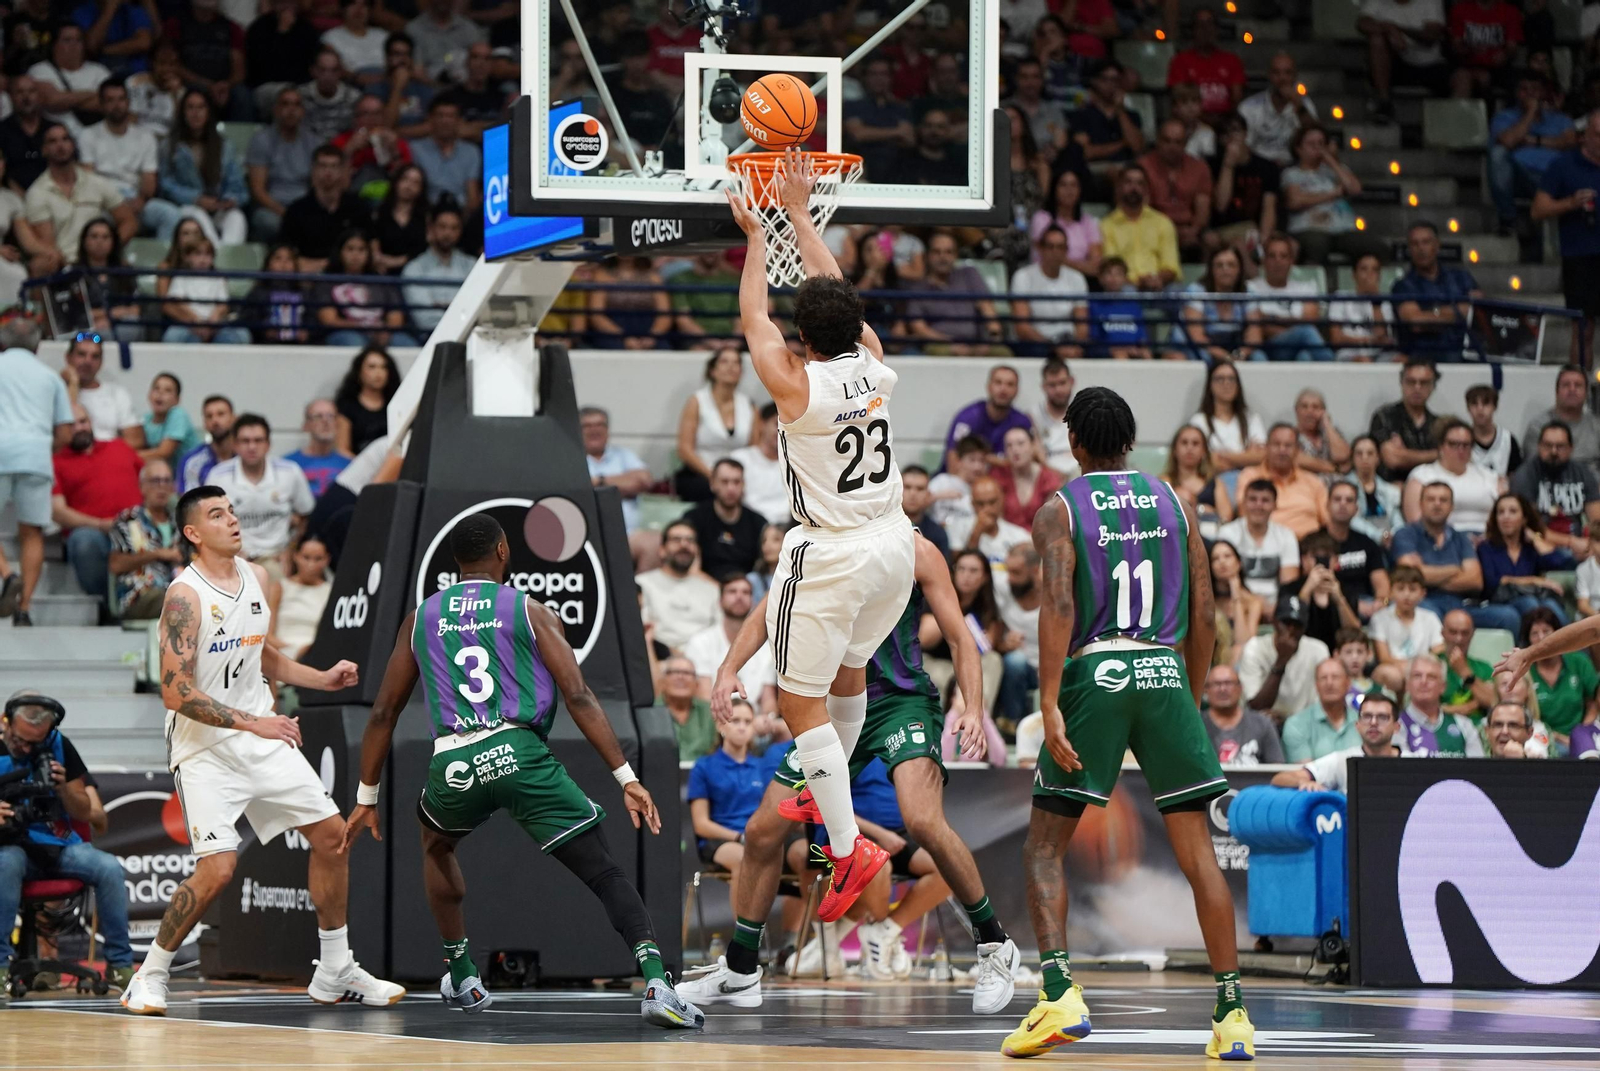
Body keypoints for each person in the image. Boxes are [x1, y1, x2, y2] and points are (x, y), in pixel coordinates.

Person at [337, 512, 700, 1026]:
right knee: (603, 870)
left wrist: (366, 798)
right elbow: (577, 693)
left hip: (455, 762)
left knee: (436, 846)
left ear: (455, 562)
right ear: (503, 552)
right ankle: (658, 984)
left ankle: (461, 972)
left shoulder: (421, 616)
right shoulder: (529, 610)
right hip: (519, 752)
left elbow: (382, 712)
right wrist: (627, 776)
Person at [1002, 386, 1253, 1060]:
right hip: (1166, 670)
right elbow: (1205, 613)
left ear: (1075, 443)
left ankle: (1058, 994)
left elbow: (1056, 601)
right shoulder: (1178, 502)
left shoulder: (1060, 508)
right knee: (1198, 854)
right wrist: (1187, 694)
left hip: (1097, 672)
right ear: (1131, 440)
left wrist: (1049, 698)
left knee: (1044, 846)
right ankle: (1232, 1014)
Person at [683, 530, 1019, 1015]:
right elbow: (772, 605)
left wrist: (970, 704)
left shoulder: (915, 548)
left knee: (922, 819)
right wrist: (729, 666)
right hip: (834, 710)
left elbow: (959, 636)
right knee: (761, 832)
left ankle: (993, 945)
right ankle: (739, 969)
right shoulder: (815, 539)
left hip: (899, 703)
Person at [725, 147, 920, 922]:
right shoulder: (874, 365)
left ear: (804, 337)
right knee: (847, 675)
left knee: (792, 699)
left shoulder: (795, 385)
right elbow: (837, 300)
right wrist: (801, 216)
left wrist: (751, 237)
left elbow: (753, 317)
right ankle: (824, 780)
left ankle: (846, 847)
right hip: (893, 548)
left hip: (832, 551)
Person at [120, 486, 404, 1015]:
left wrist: (321, 677)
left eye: (231, 510)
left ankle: (335, 967)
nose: (232, 520)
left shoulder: (257, 576)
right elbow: (176, 692)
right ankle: (150, 973)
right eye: (216, 514)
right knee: (218, 871)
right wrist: (257, 723)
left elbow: (260, 652)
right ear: (192, 533)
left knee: (332, 837)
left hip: (261, 736)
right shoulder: (185, 596)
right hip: (206, 750)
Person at [0, 692, 136, 993]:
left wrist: (63, 790)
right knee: (5, 863)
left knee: (108, 867)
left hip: (55, 844)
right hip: (11, 847)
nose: (26, 748)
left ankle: (120, 966)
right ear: (5, 722)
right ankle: (1, 968)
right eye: (21, 740)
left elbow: (85, 812)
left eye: (34, 743)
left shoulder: (58, 745)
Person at [0, 319, 73, 626]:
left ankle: (7, 573)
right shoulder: (50, 377)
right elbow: (66, 433)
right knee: (32, 533)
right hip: (37, 455)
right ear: (38, 345)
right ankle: (25, 607)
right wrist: (44, 448)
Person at [1392, 481, 1519, 632]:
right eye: (1431, 499)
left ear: (1452, 507)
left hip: (1461, 604)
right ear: (1421, 504)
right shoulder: (1405, 534)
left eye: (1443, 500)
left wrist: (1427, 575)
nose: (1437, 504)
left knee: (1509, 616)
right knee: (1429, 615)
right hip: (1424, 601)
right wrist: (1455, 569)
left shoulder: (1461, 538)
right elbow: (1410, 577)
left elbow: (1475, 581)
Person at [205, 414, 315, 580]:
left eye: (258, 440)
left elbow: (306, 516)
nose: (252, 447)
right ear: (235, 445)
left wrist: (290, 551)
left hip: (277, 558)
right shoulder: (218, 476)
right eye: (245, 441)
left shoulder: (290, 472)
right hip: (233, 559)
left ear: (268, 444)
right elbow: (207, 522)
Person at [51, 402, 142, 601]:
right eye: (71, 424)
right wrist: (102, 525)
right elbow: (57, 511)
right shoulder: (55, 462)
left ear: (90, 422)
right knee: (83, 542)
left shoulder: (119, 447)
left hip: (135, 528)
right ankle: (106, 605)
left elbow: (149, 481)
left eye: (83, 421)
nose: (79, 428)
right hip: (94, 534)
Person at [17, 124, 134, 276]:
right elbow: (48, 244)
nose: (60, 145)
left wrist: (109, 248)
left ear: (73, 145)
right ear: (44, 150)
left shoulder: (96, 183)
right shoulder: (37, 193)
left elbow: (129, 221)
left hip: (99, 260)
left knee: (126, 268)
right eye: (53, 141)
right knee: (42, 263)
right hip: (64, 264)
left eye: (65, 139)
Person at [1532, 112, 1600, 363]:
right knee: (1584, 329)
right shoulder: (1564, 165)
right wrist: (1571, 203)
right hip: (1581, 256)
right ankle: (1581, 389)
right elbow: (1538, 210)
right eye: (1598, 135)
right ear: (1585, 137)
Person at [687, 698, 770, 891]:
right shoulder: (703, 767)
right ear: (720, 724)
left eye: (748, 722)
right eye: (735, 720)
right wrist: (740, 837)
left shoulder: (762, 766)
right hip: (718, 842)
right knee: (743, 859)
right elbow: (701, 825)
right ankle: (744, 923)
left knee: (801, 854)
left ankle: (814, 921)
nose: (742, 727)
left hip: (757, 840)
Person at [1497, 607, 1599, 753]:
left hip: (1579, 735)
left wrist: (1581, 734)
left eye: (1546, 632)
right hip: (1541, 736)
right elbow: (1593, 630)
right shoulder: (1527, 671)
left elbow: (1593, 702)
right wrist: (1528, 655)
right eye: (1535, 634)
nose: (1541, 638)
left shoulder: (1578, 662)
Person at [1271, 690, 1409, 792]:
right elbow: (1279, 778)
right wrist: (1304, 781)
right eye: (1367, 716)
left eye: (1382, 717)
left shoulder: (1414, 760)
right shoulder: (1342, 760)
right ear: (1357, 726)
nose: (1373, 722)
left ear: (1397, 727)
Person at [1490, 70, 1575, 234]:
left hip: (1555, 178)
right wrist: (1530, 113)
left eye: (1534, 89)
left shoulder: (1561, 119)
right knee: (1497, 154)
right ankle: (1508, 219)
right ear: (1516, 93)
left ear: (1543, 92)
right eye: (1524, 89)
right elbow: (1507, 141)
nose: (1529, 94)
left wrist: (1532, 141)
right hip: (1522, 178)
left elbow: (1570, 143)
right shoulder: (1504, 117)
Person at [683, 575, 777, 716]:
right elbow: (703, 698)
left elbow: (768, 700)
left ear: (753, 602)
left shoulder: (766, 647)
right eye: (732, 591)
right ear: (719, 601)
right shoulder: (700, 642)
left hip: (753, 725)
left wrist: (767, 720)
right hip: (714, 720)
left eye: (746, 592)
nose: (739, 596)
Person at [904, 231, 1009, 355]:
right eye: (937, 252)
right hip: (939, 344)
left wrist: (992, 338)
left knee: (1002, 353)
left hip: (975, 342)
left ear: (956, 255)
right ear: (928, 256)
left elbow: (987, 307)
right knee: (939, 351)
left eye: (948, 252)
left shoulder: (969, 274)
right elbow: (919, 328)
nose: (943, 257)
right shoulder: (918, 288)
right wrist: (952, 345)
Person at [78, 79, 160, 236]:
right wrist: (115, 205)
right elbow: (87, 178)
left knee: (169, 215)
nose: (117, 105)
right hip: (103, 204)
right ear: (101, 105)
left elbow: (149, 179)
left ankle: (166, 261)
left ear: (128, 102)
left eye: (121, 99)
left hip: (136, 200)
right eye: (110, 100)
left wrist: (141, 200)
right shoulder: (88, 135)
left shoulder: (146, 137)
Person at [673, 347, 755, 503]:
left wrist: (735, 479)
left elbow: (754, 448)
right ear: (712, 371)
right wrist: (715, 476)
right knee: (710, 490)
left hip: (738, 475)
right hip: (702, 473)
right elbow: (684, 449)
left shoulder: (749, 405)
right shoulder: (696, 401)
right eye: (724, 361)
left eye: (736, 362)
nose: (731, 366)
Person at [1477, 492, 1572, 624]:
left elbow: (1558, 562)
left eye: (1513, 511)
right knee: (1530, 603)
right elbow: (1493, 581)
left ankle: (1572, 644)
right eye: (1501, 512)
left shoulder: (1530, 548)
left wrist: (1535, 538)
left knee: (1551, 605)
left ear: (1524, 518)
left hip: (1532, 598)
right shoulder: (1486, 547)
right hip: (1499, 601)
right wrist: (1534, 580)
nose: (1506, 517)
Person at [1392, 222, 1483, 359]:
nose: (1421, 248)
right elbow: (1416, 322)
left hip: (1465, 352)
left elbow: (1478, 310)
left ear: (1437, 245)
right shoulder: (1402, 286)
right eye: (1415, 244)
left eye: (1426, 242)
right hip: (1423, 356)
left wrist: (1433, 315)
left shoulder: (1461, 277)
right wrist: (1459, 312)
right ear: (1409, 249)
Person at [315, 229, 417, 348]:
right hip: (344, 333)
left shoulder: (381, 281)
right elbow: (329, 320)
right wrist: (364, 328)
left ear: (368, 253)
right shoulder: (327, 282)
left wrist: (384, 332)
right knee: (355, 342)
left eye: (361, 249)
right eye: (350, 249)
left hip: (382, 333)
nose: (355, 255)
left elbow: (396, 318)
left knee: (406, 343)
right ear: (340, 252)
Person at [1239, 594, 1332, 724]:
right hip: (1264, 723)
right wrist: (1282, 660)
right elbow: (1256, 706)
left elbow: (1323, 703)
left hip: (1306, 724)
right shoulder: (1254, 648)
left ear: (1305, 626)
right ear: (1274, 621)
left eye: (1297, 624)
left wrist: (1290, 722)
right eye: (1286, 623)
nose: (1291, 630)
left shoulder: (1318, 650)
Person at [1402, 418, 1504, 536]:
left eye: (1466, 445)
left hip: (1488, 539)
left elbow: (1505, 512)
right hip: (1443, 540)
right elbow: (1416, 522)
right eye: (1453, 444)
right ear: (1441, 446)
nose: (1460, 450)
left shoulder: (1489, 476)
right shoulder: (1422, 476)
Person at [280, 144, 373, 271]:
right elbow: (288, 256)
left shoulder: (359, 207)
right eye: (323, 166)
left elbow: (371, 248)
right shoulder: (297, 210)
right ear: (313, 169)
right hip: (310, 279)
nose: (328, 172)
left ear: (342, 171)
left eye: (334, 166)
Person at [107, 458, 179, 620]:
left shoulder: (182, 523)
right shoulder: (128, 520)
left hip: (178, 591)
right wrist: (157, 554)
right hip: (138, 596)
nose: (162, 487)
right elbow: (116, 564)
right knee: (173, 600)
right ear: (142, 487)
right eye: (155, 481)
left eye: (167, 481)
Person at [246, 86, 320, 241]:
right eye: (285, 104)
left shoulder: (313, 142)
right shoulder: (261, 140)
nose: (291, 110)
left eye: (296, 105)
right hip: (271, 207)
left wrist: (304, 211)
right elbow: (257, 191)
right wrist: (287, 213)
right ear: (276, 109)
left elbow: (317, 186)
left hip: (304, 205)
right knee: (268, 222)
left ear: (303, 111)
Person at [1359, 0, 1450, 124]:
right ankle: (1384, 102)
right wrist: (1389, 29)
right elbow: (1362, 23)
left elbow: (1432, 34)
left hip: (1429, 65)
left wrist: (1398, 29)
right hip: (1397, 64)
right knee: (1376, 40)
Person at [1233, 424, 1331, 540]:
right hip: (1265, 544)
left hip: (1308, 548)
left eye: (1288, 445)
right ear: (1266, 447)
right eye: (1276, 444)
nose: (1282, 450)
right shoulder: (1250, 476)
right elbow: (1245, 513)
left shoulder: (1313, 481)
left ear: (1297, 450)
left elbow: (1328, 520)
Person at [1247, 233, 1335, 362]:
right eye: (1272, 256)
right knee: (1305, 332)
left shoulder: (1305, 288)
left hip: (1296, 348)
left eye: (1283, 256)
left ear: (1291, 261)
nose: (1278, 261)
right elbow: (1258, 328)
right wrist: (1295, 324)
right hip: (1265, 346)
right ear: (1264, 261)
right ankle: (1333, 367)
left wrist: (1271, 319)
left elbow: (1310, 321)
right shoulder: (1251, 287)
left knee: (1305, 356)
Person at [638, 520, 720, 652]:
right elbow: (641, 630)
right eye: (676, 540)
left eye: (690, 540)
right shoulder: (642, 584)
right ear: (662, 550)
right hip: (657, 657)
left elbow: (719, 635)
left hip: (703, 662)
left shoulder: (712, 590)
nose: (684, 545)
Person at [680, 459, 767, 583]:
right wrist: (721, 591)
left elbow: (764, 571)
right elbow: (691, 568)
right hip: (700, 587)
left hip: (746, 592)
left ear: (743, 485)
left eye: (736, 482)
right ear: (712, 484)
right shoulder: (694, 518)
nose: (731, 488)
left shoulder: (758, 523)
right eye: (724, 482)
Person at [1138, 119, 1212, 259]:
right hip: (1155, 228)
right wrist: (1170, 231)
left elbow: (1203, 209)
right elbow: (1143, 210)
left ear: (1185, 144)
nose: (1172, 147)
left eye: (1178, 142)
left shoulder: (1199, 167)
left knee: (1211, 240)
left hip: (1190, 229)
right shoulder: (1143, 167)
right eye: (1167, 141)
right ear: (1158, 141)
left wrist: (1193, 230)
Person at [1217, 480, 1301, 602]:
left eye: (1265, 500)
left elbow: (1289, 584)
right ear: (1244, 503)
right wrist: (1256, 606)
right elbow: (1223, 581)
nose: (1258, 505)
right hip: (1237, 602)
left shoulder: (1286, 536)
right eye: (1253, 499)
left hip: (1275, 607)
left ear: (1275, 505)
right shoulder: (1227, 533)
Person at [1099, 165, 1179, 292]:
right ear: (1119, 187)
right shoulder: (1107, 225)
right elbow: (1111, 267)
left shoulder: (1163, 222)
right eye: (1128, 182)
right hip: (1125, 287)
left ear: (1146, 189)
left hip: (1159, 286)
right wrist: (1139, 283)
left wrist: (1156, 279)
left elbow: (1171, 266)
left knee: (1178, 292)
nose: (1134, 188)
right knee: (1127, 292)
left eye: (1139, 183)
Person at [1011, 226, 1088, 359]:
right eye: (1050, 246)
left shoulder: (1077, 278)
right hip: (1037, 343)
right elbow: (1022, 327)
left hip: (1069, 340)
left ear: (1066, 250)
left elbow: (1082, 324)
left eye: (1060, 247)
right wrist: (1053, 347)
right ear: (1040, 248)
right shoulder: (1023, 276)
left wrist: (1074, 345)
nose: (1055, 252)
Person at [160, 236, 253, 345]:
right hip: (188, 323)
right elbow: (178, 301)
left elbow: (223, 305)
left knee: (242, 334)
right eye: (198, 254)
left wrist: (215, 318)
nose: (203, 259)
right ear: (188, 257)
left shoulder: (218, 278)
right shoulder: (181, 277)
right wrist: (194, 320)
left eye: (207, 255)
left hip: (216, 324)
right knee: (172, 336)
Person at [1319, 481, 1390, 618]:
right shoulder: (1313, 543)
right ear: (1327, 505)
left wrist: (1381, 603)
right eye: (1337, 499)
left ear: (1356, 509)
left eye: (1349, 500)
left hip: (1367, 603)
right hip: (1329, 602)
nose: (1343, 504)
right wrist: (1352, 605)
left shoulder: (1367, 544)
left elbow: (1382, 584)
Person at [943, 366, 1034, 472]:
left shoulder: (1022, 422)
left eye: (1010, 384)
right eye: (998, 383)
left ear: (1017, 390)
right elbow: (953, 464)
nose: (1003, 389)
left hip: (1006, 485)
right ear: (988, 386)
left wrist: (990, 459)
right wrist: (1001, 462)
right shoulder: (968, 418)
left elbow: (1031, 460)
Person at [1369, 358, 1444, 483]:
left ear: (1433, 386)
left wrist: (1405, 454)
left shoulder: (1439, 424)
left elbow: (1449, 460)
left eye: (1424, 383)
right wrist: (1435, 455)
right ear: (1402, 383)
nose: (1417, 388)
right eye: (1411, 382)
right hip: (1390, 487)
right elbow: (1393, 459)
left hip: (1430, 488)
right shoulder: (1385, 416)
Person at [1237, 51, 1318, 166]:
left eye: (1287, 73)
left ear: (1295, 76)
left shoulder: (1305, 104)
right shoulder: (1249, 107)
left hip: (1294, 167)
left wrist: (1299, 107)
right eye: (1276, 73)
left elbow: (1316, 139)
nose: (1282, 78)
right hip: (1259, 167)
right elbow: (1243, 147)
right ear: (1269, 75)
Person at [1183, 246, 1261, 364]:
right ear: (1211, 269)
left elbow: (1254, 335)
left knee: (1259, 357)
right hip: (1203, 348)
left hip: (1235, 349)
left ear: (1239, 269)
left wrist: (1240, 354)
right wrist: (1226, 357)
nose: (1225, 269)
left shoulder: (1249, 291)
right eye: (1219, 265)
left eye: (1231, 265)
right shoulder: (1196, 290)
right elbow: (1197, 336)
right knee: (1204, 358)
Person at [1397, 653, 1485, 756]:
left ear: (1443, 686)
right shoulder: (1396, 726)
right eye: (1417, 676)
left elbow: (1478, 769)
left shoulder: (1464, 725)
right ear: (1407, 685)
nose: (1423, 681)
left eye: (1431, 677)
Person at [401, 203, 472, 331]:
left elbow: (476, 310)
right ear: (431, 228)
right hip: (429, 338)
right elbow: (426, 319)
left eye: (454, 228)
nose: (447, 233)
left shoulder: (472, 265)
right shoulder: (414, 269)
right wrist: (458, 310)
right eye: (442, 226)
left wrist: (440, 306)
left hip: (468, 336)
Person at [579, 406, 649, 534]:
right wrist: (622, 483)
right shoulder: (571, 459)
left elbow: (644, 481)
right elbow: (578, 488)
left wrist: (598, 481)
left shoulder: (623, 455)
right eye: (587, 426)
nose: (594, 430)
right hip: (586, 532)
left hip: (628, 534)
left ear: (607, 429)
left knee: (652, 543)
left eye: (600, 425)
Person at [1190, 359, 1267, 476]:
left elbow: (1262, 457)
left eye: (1231, 379)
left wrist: (1222, 456)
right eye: (1220, 379)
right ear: (1210, 385)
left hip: (1249, 484)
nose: (1226, 384)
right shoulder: (1199, 421)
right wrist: (1246, 456)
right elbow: (1206, 462)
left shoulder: (1251, 419)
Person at [1166, 9, 1245, 118]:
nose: (1205, 29)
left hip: (1224, 122)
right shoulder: (1180, 60)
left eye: (1210, 24)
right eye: (1200, 25)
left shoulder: (1232, 60)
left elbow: (1236, 98)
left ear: (1216, 29)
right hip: (1192, 120)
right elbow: (1180, 98)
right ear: (1193, 30)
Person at [1520, 365, 1600, 473]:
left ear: (1586, 394)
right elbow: (1532, 471)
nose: (1572, 389)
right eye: (1566, 385)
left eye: (1578, 385)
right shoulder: (1537, 427)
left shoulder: (1596, 427)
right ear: (1556, 392)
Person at [62, 334, 138, 447]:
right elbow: (62, 438)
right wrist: (72, 384)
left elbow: (135, 440)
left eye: (95, 356)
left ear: (101, 362)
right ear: (68, 358)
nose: (88, 361)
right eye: (81, 354)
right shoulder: (55, 392)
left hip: (109, 457)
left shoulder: (117, 393)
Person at [1203, 664, 1285, 766]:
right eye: (1216, 684)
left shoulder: (1263, 723)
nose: (1222, 689)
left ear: (1240, 688)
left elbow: (1276, 767)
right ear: (1206, 690)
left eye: (1228, 683)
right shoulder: (1196, 725)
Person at [1280, 658, 1359, 762]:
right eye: (1323, 678)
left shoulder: (1363, 722)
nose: (1329, 683)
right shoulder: (1296, 724)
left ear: (1348, 683)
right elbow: (1305, 772)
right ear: (1316, 685)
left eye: (1335, 677)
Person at [268, 534, 331, 660]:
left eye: (318, 559)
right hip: (281, 654)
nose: (311, 564)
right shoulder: (279, 588)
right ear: (296, 556)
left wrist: (308, 650)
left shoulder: (330, 591)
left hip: (316, 654)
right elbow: (267, 635)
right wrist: (294, 651)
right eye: (306, 558)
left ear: (327, 560)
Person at [409, 98, 479, 212]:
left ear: (459, 121)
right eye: (440, 115)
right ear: (430, 119)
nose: (445, 121)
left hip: (460, 213)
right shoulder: (415, 149)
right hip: (425, 211)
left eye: (451, 116)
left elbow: (472, 196)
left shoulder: (471, 151)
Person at [1028, 170, 1102, 278]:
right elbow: (1045, 258)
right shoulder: (1041, 219)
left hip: (1080, 280)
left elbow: (1095, 267)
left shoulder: (1088, 222)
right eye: (1063, 185)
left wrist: (1061, 260)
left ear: (1080, 190)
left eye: (1074, 185)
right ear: (1054, 189)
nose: (1069, 190)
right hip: (1043, 278)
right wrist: (1082, 265)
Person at [1328, 253, 1401, 362]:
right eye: (1364, 269)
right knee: (1364, 361)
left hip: (1379, 354)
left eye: (1374, 270)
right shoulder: (1341, 297)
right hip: (1350, 353)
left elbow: (1382, 337)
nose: (1369, 274)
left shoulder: (1385, 303)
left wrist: (1375, 302)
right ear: (1354, 275)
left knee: (1401, 360)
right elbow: (1336, 338)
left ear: (1379, 276)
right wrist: (1370, 341)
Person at [1367, 564, 1443, 666]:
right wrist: (1409, 668)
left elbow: (1438, 651)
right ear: (1390, 592)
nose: (1407, 595)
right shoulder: (1379, 618)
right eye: (1400, 589)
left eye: (1412, 589)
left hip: (1422, 669)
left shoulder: (1430, 618)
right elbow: (1384, 658)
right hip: (1394, 668)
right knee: (1387, 673)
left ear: (1422, 594)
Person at [1165, 426, 1232, 539]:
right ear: (1175, 450)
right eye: (1184, 443)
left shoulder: (1215, 483)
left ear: (1204, 451)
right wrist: (1200, 509)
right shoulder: (1164, 482)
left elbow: (1227, 518)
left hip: (1210, 539)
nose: (1189, 448)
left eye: (1195, 443)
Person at [728, 403, 788, 527]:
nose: (781, 432)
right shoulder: (739, 459)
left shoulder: (796, 463)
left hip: (787, 528)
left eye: (787, 427)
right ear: (762, 424)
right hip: (749, 527)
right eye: (777, 425)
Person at [333, 347, 400, 457]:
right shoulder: (347, 406)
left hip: (392, 467)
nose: (378, 373)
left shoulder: (396, 405)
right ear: (359, 372)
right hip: (356, 467)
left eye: (383, 367)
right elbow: (342, 449)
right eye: (372, 367)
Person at [993, 426, 1062, 532]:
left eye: (1020, 443)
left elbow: (1051, 521)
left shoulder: (1049, 478)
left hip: (1039, 539)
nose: (1015, 450)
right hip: (1006, 539)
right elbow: (997, 518)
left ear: (1033, 446)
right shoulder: (998, 476)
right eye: (1009, 445)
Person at [1438, 608, 1500, 720]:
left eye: (1464, 633)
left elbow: (1494, 701)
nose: (1459, 639)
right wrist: (1471, 705)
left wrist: (1465, 672)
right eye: (1453, 632)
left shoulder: (1483, 668)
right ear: (1443, 633)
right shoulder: (1431, 665)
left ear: (1472, 634)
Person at [283, 399, 351, 498]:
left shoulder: (350, 465)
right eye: (318, 416)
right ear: (306, 425)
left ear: (337, 424)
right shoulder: (288, 464)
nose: (325, 421)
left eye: (331, 416)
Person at [1210, 540, 1261, 665]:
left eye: (1227, 556)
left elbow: (1243, 641)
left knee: (1239, 649)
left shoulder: (1253, 601)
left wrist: (1236, 594)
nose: (1222, 561)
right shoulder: (1208, 601)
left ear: (1239, 563)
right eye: (1215, 558)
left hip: (1239, 661)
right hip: (1210, 657)